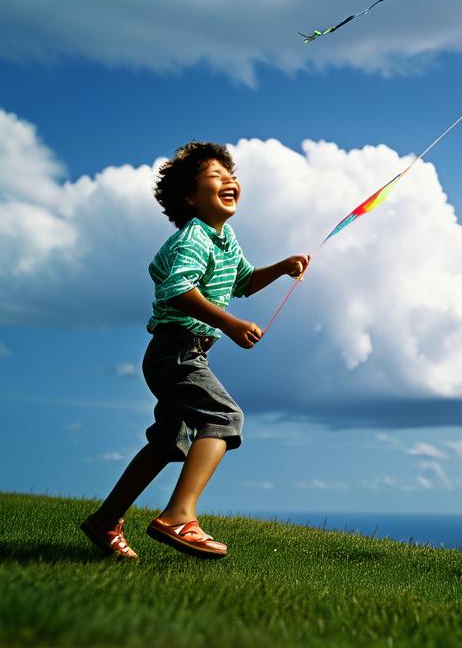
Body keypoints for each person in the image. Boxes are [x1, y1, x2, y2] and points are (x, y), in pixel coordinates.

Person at [80, 141, 308, 560]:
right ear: (189, 196)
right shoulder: (192, 240)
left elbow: (242, 282)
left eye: (231, 175)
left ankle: (104, 521)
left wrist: (282, 268)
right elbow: (178, 289)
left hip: (182, 354)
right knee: (224, 417)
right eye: (216, 177)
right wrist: (229, 323)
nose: (230, 181)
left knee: (168, 442)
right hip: (176, 352)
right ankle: (178, 516)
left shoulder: (223, 238)